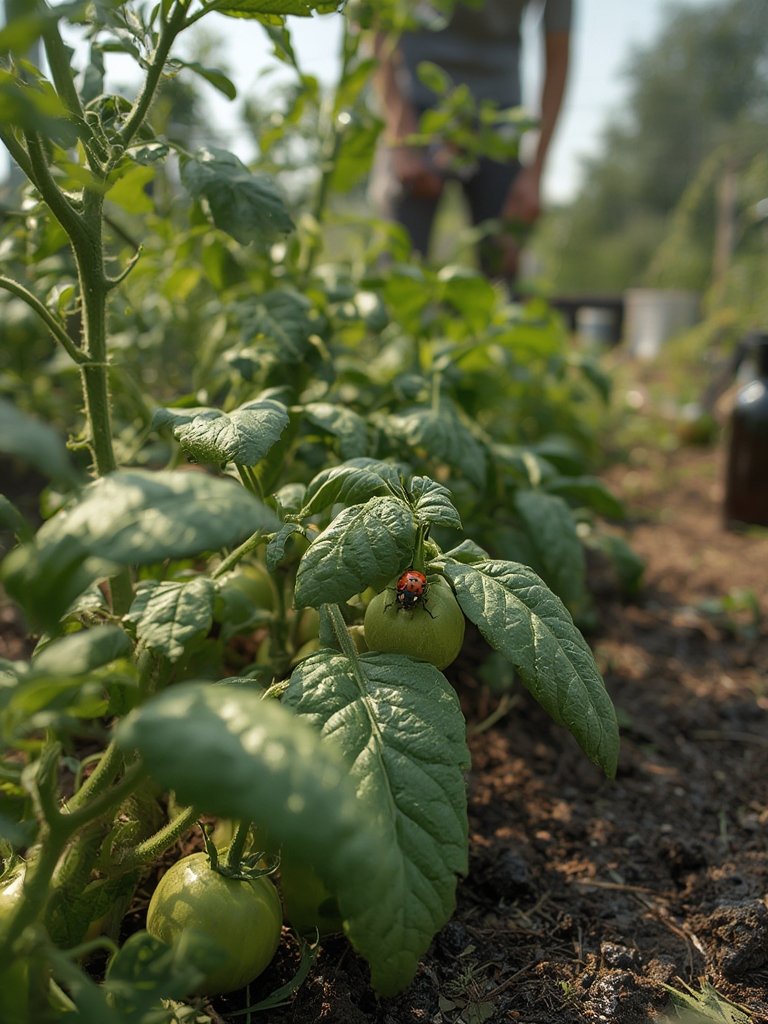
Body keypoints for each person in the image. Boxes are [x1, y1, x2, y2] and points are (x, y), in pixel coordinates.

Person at [369, 0, 573, 282]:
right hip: (417, 107)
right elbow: (375, 18)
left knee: (503, 272)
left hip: (498, 117)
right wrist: (401, 133)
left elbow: (559, 54)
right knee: (398, 272)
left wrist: (535, 172)